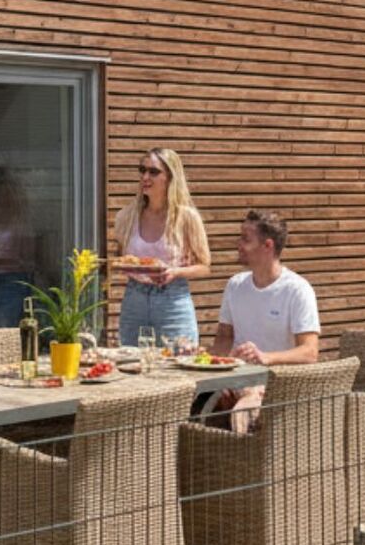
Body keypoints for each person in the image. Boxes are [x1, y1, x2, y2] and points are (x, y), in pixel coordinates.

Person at [209, 209, 320, 432]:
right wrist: (216, 374)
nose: (238, 244)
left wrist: (265, 357)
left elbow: (310, 352)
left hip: (277, 386)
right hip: (237, 380)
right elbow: (223, 339)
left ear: (267, 246)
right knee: (188, 399)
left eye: (246, 239)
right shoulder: (235, 285)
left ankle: (244, 439)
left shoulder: (297, 290)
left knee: (246, 405)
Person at [114, 147, 211, 347]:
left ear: (170, 177)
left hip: (172, 299)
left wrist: (176, 272)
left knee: (178, 359)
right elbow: (120, 257)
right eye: (142, 170)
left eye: (153, 172)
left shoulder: (186, 217)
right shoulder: (127, 216)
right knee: (131, 360)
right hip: (135, 298)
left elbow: (204, 266)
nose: (145, 177)